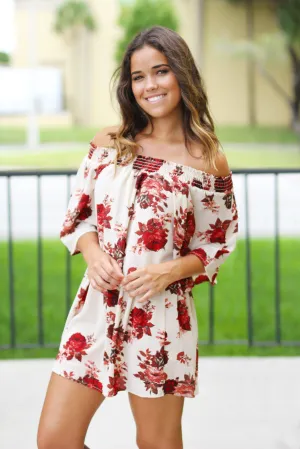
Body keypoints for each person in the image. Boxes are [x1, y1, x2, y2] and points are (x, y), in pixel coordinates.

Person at [37, 25, 238, 449]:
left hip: (161, 317)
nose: (150, 85)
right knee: (55, 439)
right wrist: (92, 254)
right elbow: (79, 218)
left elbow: (217, 243)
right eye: (138, 76)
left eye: (161, 71)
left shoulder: (207, 159)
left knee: (158, 444)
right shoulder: (108, 144)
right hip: (96, 308)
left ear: (182, 75)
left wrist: (170, 271)